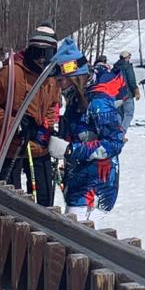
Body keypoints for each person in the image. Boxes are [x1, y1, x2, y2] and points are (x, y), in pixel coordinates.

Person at [0, 23, 62, 206]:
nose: (42, 59)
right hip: (11, 147)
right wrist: (12, 124)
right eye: (37, 53)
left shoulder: (50, 76)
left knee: (44, 198)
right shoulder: (12, 73)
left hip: (37, 145)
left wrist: (48, 129)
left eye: (47, 54)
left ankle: (42, 227)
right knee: (11, 202)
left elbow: (51, 106)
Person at [51, 62, 125, 222]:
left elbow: (114, 143)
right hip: (77, 180)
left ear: (73, 78)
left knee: (76, 237)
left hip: (96, 185)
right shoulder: (75, 101)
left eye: (60, 80)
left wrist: (70, 150)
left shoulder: (98, 103)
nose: (56, 84)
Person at [113, 50, 139, 128]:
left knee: (119, 113)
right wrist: (136, 90)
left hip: (117, 93)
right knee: (129, 114)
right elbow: (131, 80)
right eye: (129, 57)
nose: (129, 59)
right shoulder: (127, 66)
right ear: (125, 58)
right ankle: (122, 132)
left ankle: (117, 133)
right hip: (127, 93)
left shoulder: (115, 68)